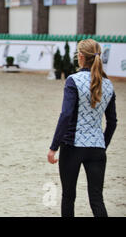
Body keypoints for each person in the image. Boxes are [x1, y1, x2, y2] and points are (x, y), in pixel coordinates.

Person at [47, 39, 117, 217]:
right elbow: (112, 121)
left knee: (68, 197)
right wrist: (102, 143)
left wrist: (54, 147)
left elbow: (66, 116)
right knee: (97, 200)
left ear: (80, 56)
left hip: (72, 147)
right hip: (97, 148)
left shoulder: (73, 80)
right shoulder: (108, 84)